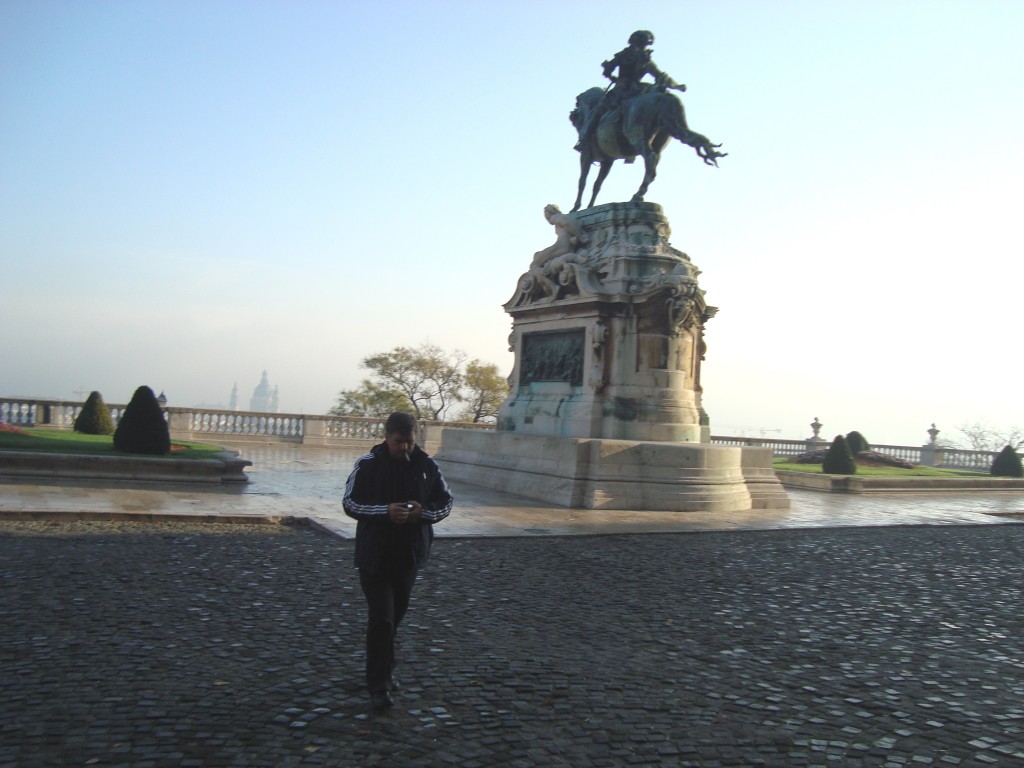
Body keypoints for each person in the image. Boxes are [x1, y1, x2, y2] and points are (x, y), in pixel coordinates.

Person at [343, 411, 453, 710]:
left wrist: (422, 513)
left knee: (395, 618)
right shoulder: (368, 464)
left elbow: (446, 501)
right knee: (382, 618)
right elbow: (350, 503)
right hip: (374, 555)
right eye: (398, 442)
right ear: (386, 437)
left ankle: (386, 667)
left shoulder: (427, 466)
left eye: (409, 442)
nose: (404, 447)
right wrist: (384, 511)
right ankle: (378, 685)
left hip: (409, 555)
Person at [577, 30, 686, 150]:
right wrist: (677, 86)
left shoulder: (623, 55)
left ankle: (585, 138)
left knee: (599, 110)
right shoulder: (646, 60)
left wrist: (612, 77)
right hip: (639, 90)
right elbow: (661, 77)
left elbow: (607, 71)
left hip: (621, 90)